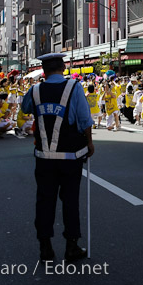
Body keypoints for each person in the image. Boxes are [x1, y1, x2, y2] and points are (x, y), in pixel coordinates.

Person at [21, 53, 95, 263]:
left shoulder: (35, 90)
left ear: (44, 70)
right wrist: (89, 143)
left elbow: (25, 108)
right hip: (71, 157)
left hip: (44, 157)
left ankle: (45, 247)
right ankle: (71, 246)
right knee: (70, 201)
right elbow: (84, 120)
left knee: (45, 200)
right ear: (63, 67)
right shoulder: (74, 87)